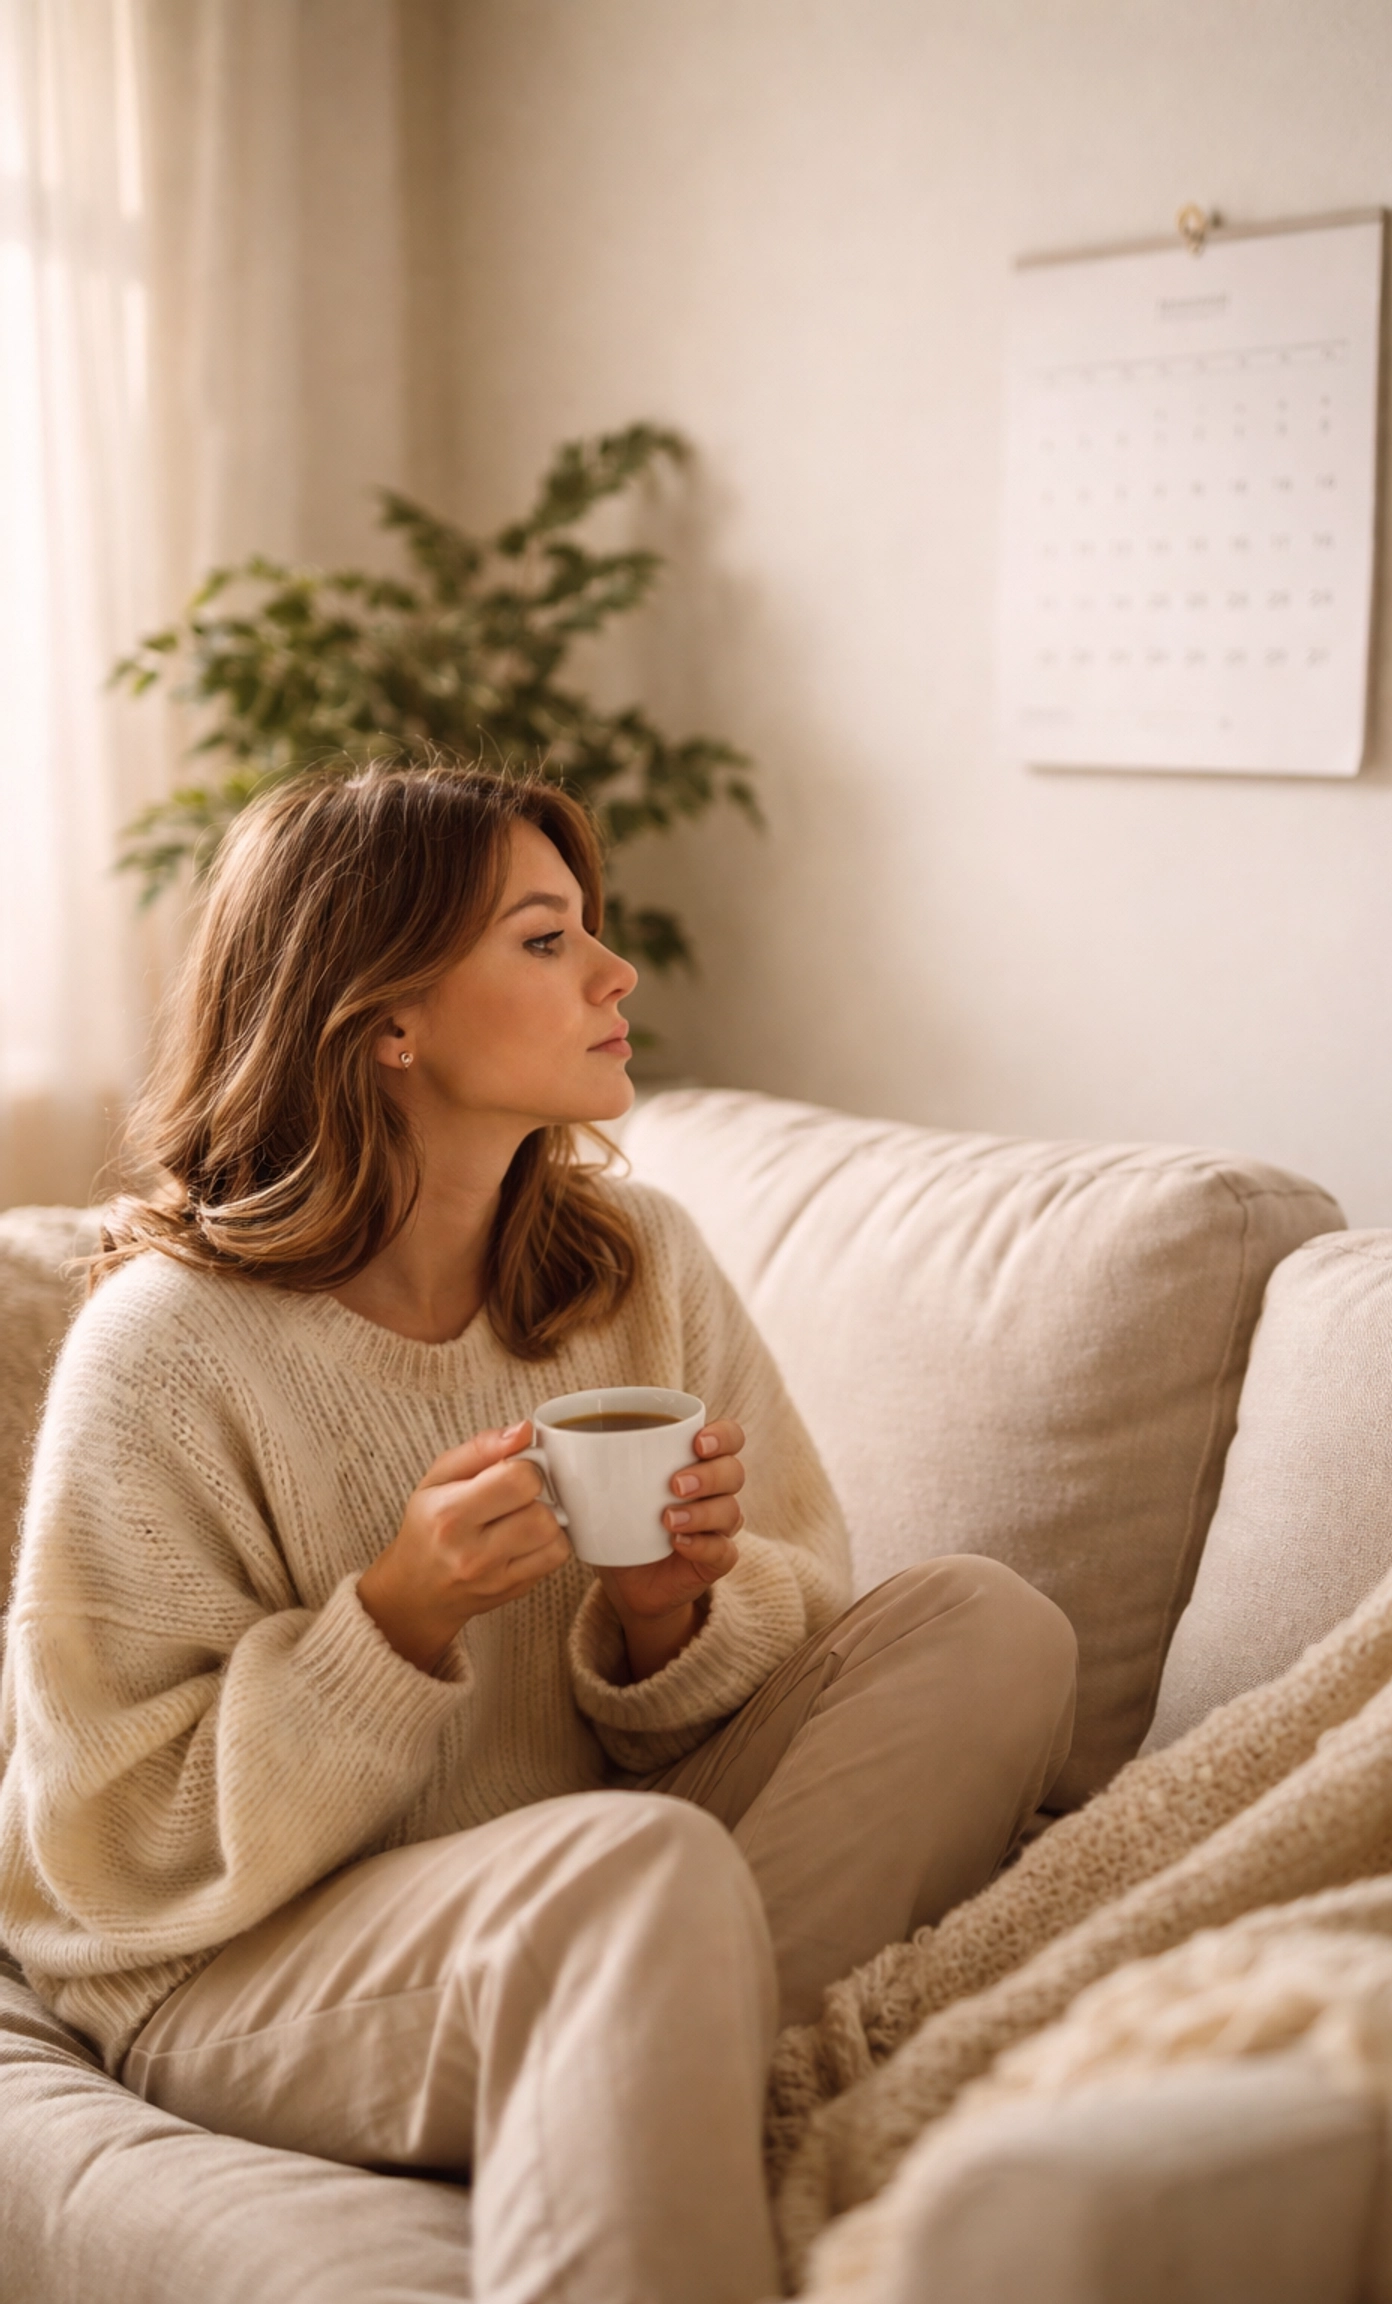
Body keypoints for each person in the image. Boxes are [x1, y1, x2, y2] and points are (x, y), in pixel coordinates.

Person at [0, 761, 1077, 2304]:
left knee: (985, 1626)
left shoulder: (636, 1261)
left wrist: (669, 1616)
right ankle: (629, 2061)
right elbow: (106, 1844)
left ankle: (628, 2063)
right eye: (545, 937)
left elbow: (803, 1590)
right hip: (237, 1959)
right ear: (388, 1019)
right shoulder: (168, 1347)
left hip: (585, 1883)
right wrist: (394, 1623)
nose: (614, 971)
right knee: (632, 1872)